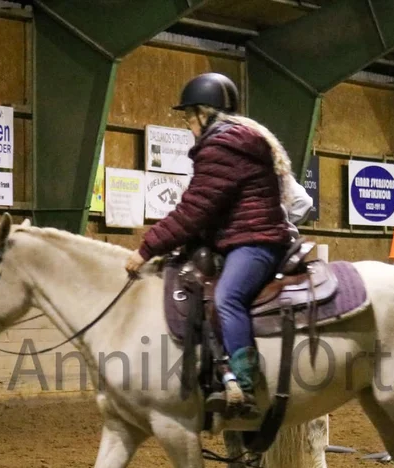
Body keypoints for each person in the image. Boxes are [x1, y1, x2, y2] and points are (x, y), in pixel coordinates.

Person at [123, 72, 294, 418]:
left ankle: (245, 385)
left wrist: (146, 249)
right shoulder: (233, 142)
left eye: (189, 117)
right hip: (239, 237)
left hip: (255, 241)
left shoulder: (222, 147)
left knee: (227, 296)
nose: (188, 125)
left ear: (206, 113)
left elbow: (194, 211)